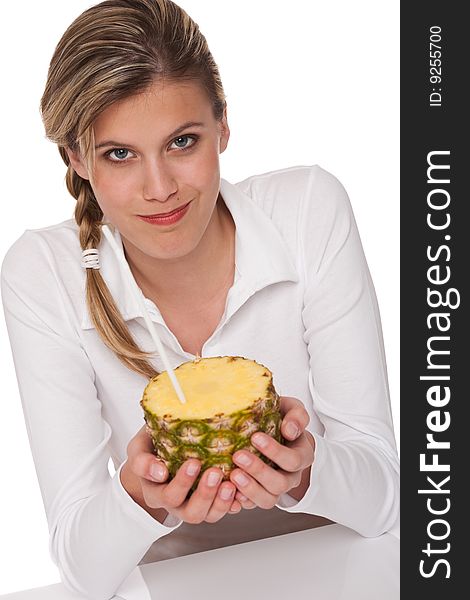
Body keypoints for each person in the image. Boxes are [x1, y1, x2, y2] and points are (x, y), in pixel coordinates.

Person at [1, 0, 399, 598]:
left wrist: (305, 469)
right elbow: (80, 566)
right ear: (77, 160)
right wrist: (140, 493)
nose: (159, 189)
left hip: (350, 573)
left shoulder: (308, 211)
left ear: (223, 127)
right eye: (119, 154)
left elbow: (389, 499)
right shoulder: (43, 274)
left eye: (183, 141)